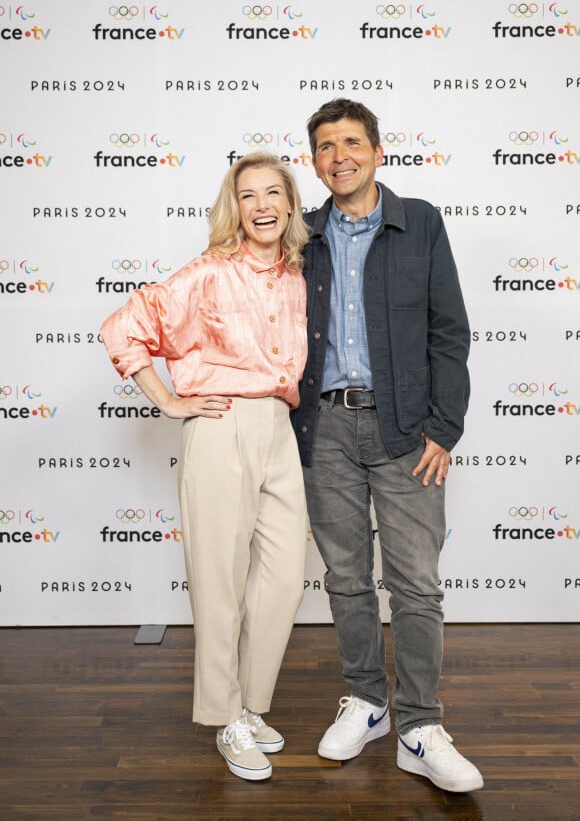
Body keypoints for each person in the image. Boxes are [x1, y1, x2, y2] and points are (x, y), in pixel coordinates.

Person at [291, 99, 484, 793]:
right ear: (312, 161)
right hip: (325, 430)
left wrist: (445, 426)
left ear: (377, 150)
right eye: (323, 146)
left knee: (415, 585)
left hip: (407, 430)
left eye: (350, 142)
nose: (338, 155)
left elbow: (449, 331)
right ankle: (368, 703)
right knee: (344, 578)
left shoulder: (421, 221)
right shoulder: (299, 234)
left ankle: (421, 726)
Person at [101, 152, 309, 782]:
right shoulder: (209, 272)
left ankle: (250, 705)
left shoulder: (301, 274)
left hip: (280, 428)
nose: (263, 205)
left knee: (282, 579)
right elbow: (123, 327)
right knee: (220, 580)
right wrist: (168, 400)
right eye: (249, 196)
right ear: (234, 207)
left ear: (292, 203)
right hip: (220, 429)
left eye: (274, 193)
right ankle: (225, 720)